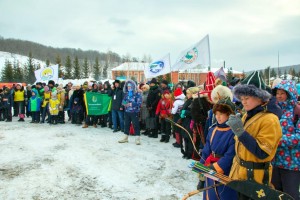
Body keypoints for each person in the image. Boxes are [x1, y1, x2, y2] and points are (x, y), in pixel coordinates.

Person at [227, 84, 282, 200]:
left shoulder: (270, 119)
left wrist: (240, 132)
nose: (244, 102)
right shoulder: (248, 115)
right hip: (241, 175)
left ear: (260, 97)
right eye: (241, 99)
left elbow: (262, 152)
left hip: (257, 178)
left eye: (247, 98)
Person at [198, 97, 237, 200]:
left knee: (223, 194)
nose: (218, 117)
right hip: (210, 167)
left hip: (225, 171)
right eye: (216, 114)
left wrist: (216, 167)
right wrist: (201, 165)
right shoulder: (213, 129)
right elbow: (207, 149)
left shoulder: (234, 132)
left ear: (229, 115)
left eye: (221, 114)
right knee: (210, 194)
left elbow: (230, 155)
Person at [271, 80, 300, 200]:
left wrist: (277, 140)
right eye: (277, 93)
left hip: (291, 165)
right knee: (275, 194)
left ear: (290, 94)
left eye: (282, 93)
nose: (279, 96)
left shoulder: (296, 112)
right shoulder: (274, 111)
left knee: (290, 196)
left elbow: (298, 137)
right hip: (275, 162)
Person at [118, 80, 142, 145]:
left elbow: (139, 103)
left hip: (134, 112)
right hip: (127, 112)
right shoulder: (127, 94)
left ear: (133, 86)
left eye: (130, 86)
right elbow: (123, 101)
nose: (128, 87)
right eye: (128, 86)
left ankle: (137, 139)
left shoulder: (137, 93)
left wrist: (131, 104)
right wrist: (125, 104)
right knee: (126, 125)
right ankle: (125, 138)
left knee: (136, 125)